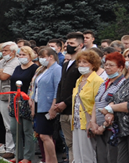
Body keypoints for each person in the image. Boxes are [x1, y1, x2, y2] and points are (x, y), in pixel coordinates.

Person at [50, 32, 84, 162]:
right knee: (69, 143)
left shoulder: (81, 65)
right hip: (63, 109)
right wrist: (58, 102)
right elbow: (61, 85)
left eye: (72, 44)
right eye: (67, 43)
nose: (68, 46)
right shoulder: (66, 64)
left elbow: (80, 88)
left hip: (74, 109)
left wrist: (66, 102)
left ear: (80, 45)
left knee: (77, 143)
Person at [89, 51, 126, 163]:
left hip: (111, 128)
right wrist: (93, 122)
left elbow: (116, 106)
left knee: (111, 158)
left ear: (120, 68)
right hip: (98, 127)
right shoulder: (104, 83)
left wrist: (103, 127)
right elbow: (96, 102)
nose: (107, 67)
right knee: (101, 158)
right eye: (106, 65)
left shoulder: (123, 84)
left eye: (111, 65)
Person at [70, 49, 104, 163]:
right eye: (79, 62)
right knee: (78, 154)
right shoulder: (79, 80)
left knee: (88, 154)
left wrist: (93, 121)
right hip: (76, 121)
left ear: (93, 64)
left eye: (85, 62)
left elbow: (97, 102)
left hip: (88, 121)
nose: (81, 65)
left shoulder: (97, 80)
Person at [30, 47, 62, 163]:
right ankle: (47, 160)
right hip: (40, 104)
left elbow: (57, 89)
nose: (41, 59)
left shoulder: (56, 69)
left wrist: (53, 107)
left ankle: (53, 160)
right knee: (42, 136)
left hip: (48, 106)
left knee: (45, 135)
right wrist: (33, 103)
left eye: (43, 57)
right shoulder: (43, 69)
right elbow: (36, 87)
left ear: (51, 57)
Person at [7, 45, 38, 163]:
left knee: (27, 130)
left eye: (23, 55)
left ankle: (28, 157)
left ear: (30, 56)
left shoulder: (35, 68)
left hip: (27, 101)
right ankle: (17, 155)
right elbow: (12, 85)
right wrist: (10, 100)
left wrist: (31, 101)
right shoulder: (17, 67)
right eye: (19, 55)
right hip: (15, 101)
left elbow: (34, 86)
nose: (21, 57)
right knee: (14, 129)